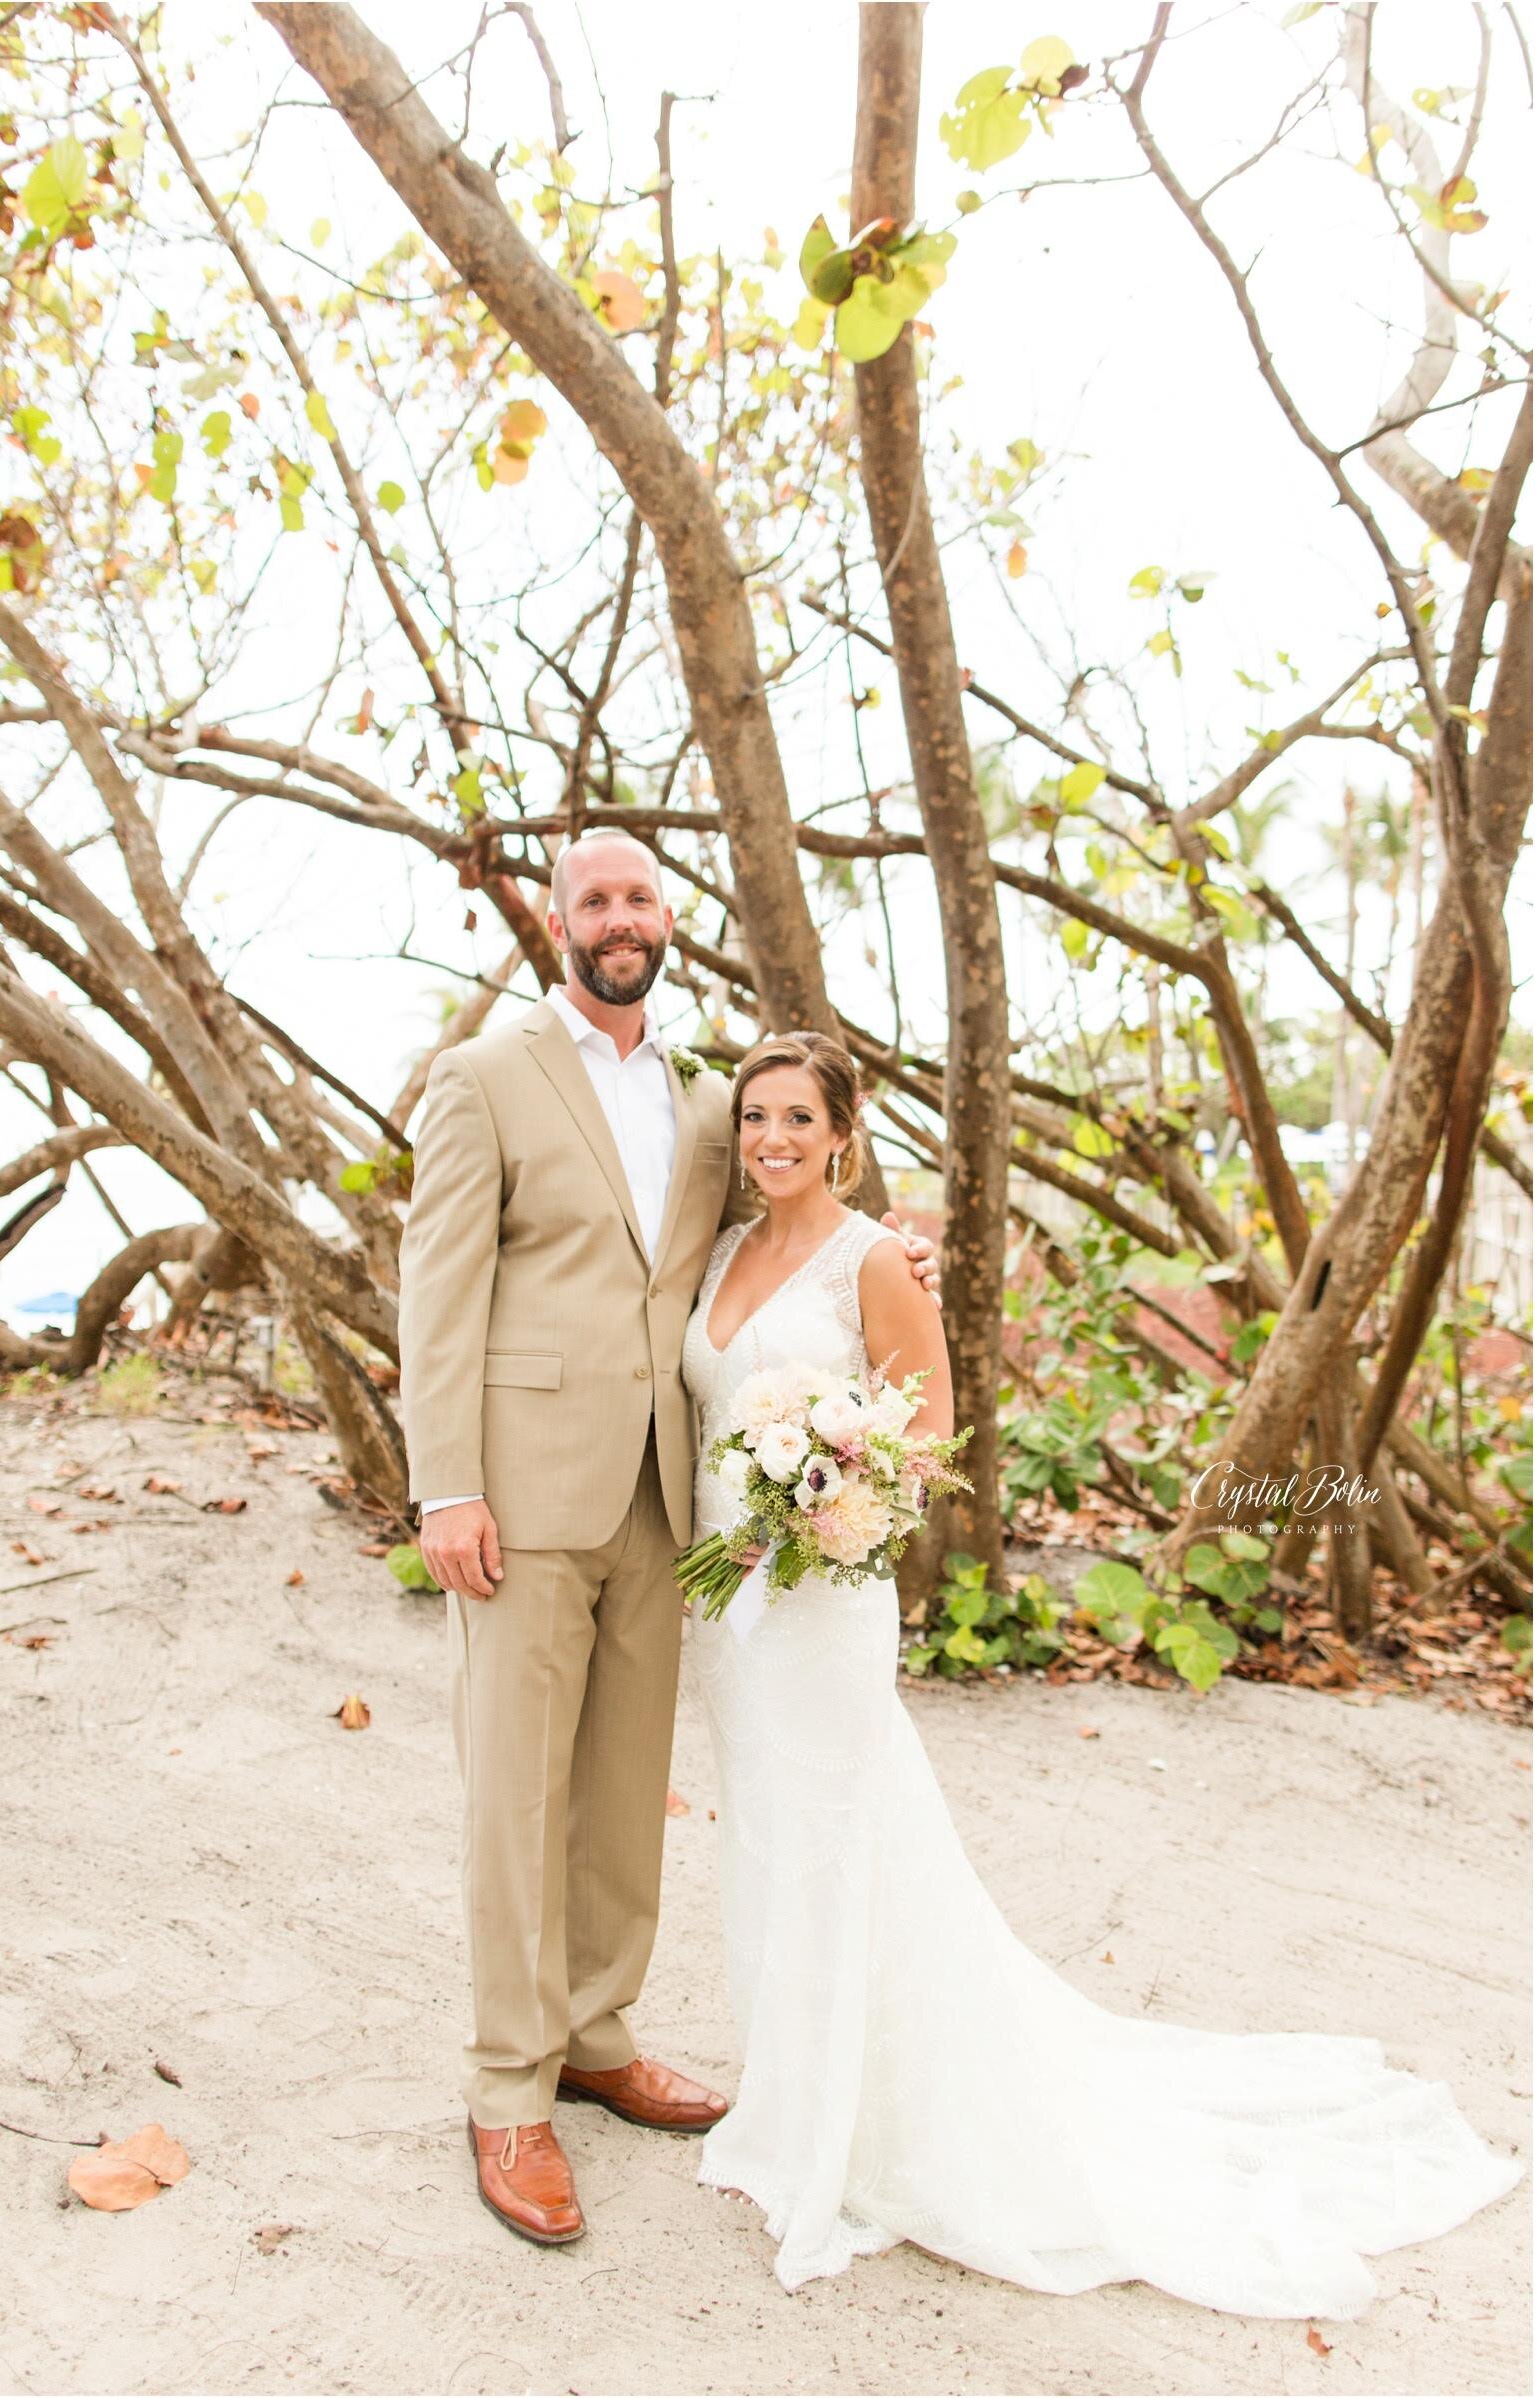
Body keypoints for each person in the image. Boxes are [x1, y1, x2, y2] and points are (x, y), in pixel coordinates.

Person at [683, 1028, 1523, 2309]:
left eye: (797, 1117)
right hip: (724, 1605)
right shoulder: (727, 1248)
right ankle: (791, 2095)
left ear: (843, 1131)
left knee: (842, 1842)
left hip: (815, 1600)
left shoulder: (873, 1262)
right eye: (755, 1119)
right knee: (764, 1841)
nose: (772, 1140)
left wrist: (816, 1497)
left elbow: (929, 1434)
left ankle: (864, 2127)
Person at [397, 832, 939, 2248]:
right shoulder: (484, 1076)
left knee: (625, 1789)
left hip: (665, 1496)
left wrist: (895, 1256)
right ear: (557, 920)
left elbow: (783, 1218)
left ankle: (595, 2029)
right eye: (594, 898)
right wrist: (444, 1479)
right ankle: (508, 2082)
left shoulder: (708, 1100)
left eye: (640, 897)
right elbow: (437, 1289)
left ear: (666, 918)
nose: (619, 918)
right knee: (515, 1792)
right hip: (516, 1495)